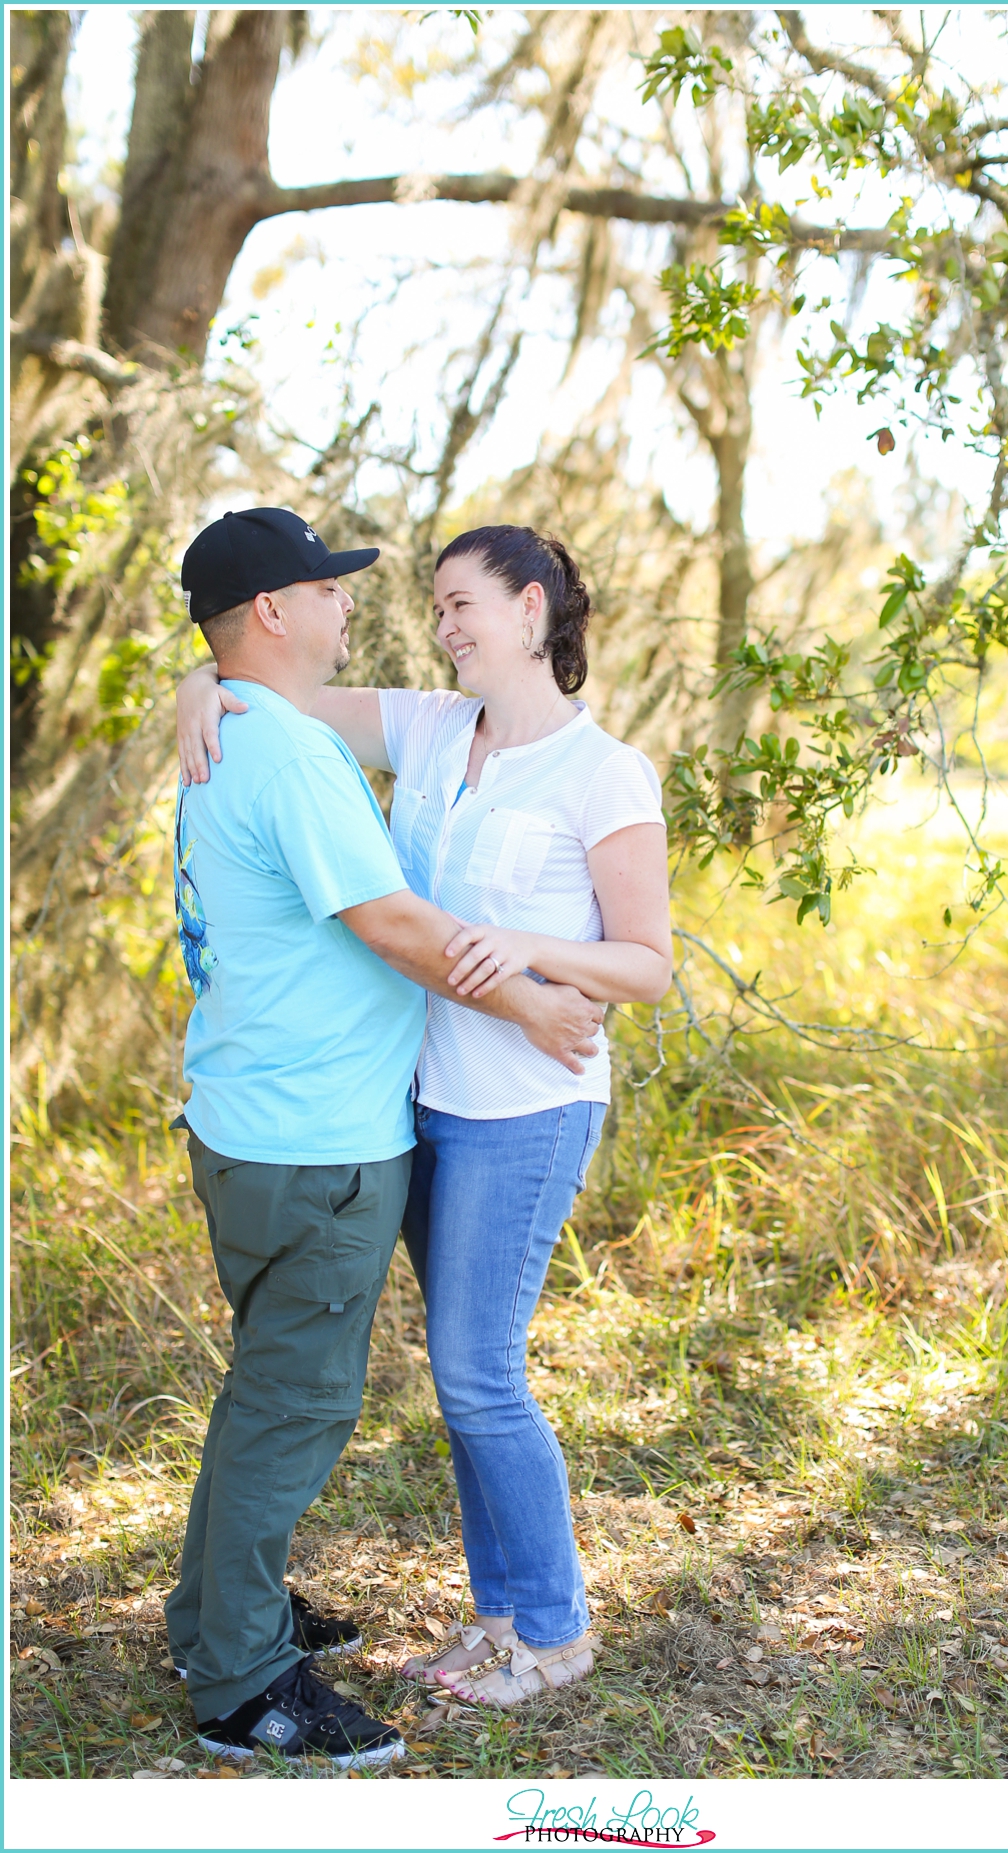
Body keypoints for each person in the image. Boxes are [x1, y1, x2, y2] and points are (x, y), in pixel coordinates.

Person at [176, 523, 673, 1709]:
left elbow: (645, 964)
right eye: (437, 604)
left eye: (464, 604)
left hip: (523, 1109)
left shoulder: (607, 772)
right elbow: (265, 675)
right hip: (416, 1105)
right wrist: (198, 683)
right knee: (462, 1379)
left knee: (481, 1372)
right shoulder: (434, 728)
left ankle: (550, 1628)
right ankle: (496, 1616)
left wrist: (537, 961)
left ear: (535, 609)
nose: (443, 623)